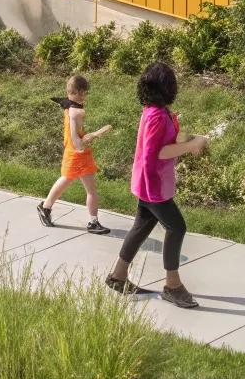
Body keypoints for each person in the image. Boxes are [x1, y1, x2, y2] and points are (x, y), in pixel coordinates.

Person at [106, 61, 209, 309]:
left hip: (148, 182)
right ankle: (172, 286)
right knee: (177, 228)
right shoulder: (157, 117)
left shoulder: (153, 111)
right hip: (154, 185)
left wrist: (191, 140)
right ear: (168, 87)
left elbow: (165, 143)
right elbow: (157, 153)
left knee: (141, 226)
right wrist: (190, 146)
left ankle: (118, 277)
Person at [36, 73, 113, 234]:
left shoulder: (69, 104)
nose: (85, 96)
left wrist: (84, 137)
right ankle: (46, 207)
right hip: (76, 152)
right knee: (71, 182)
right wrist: (82, 141)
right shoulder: (76, 112)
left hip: (78, 152)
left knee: (84, 186)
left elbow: (64, 103)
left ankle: (92, 221)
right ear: (78, 92)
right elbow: (74, 135)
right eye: (84, 93)